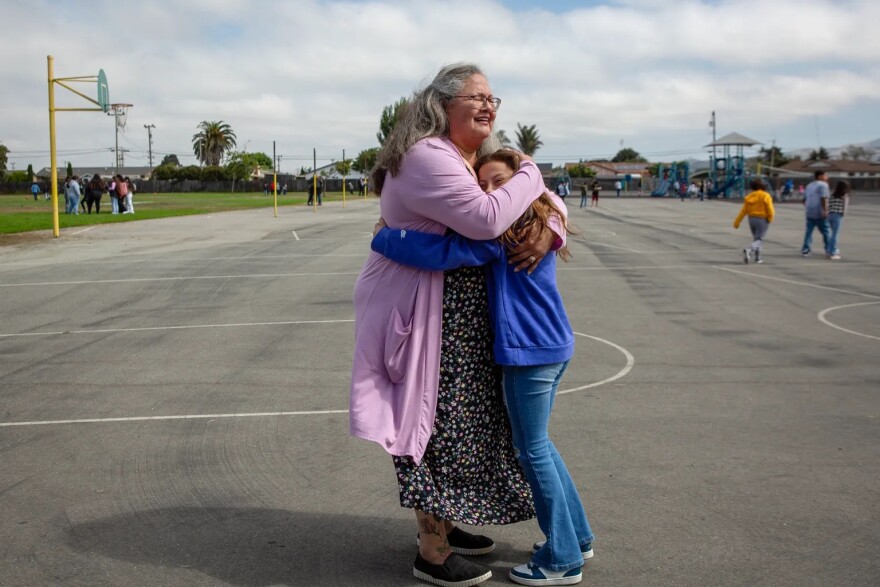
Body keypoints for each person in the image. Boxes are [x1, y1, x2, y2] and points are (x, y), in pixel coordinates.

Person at [350, 63, 561, 587]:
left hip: (456, 313)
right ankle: (432, 552)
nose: (490, 105)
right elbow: (490, 218)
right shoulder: (427, 156)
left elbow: (537, 205)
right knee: (429, 426)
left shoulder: (469, 157)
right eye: (477, 96)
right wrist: (532, 173)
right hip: (419, 311)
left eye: (494, 97)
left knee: (460, 422)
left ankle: (445, 519)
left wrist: (550, 225)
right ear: (443, 104)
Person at [372, 149, 593, 586]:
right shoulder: (534, 220)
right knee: (540, 445)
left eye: (500, 183)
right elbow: (550, 203)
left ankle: (563, 557)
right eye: (483, 185)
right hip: (550, 346)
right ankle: (579, 537)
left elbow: (444, 251)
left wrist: (384, 238)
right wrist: (552, 222)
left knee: (531, 450)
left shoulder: (504, 231)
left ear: (521, 188)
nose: (490, 193)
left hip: (527, 353)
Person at [733, 179, 775, 264]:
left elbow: (743, 211)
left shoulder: (750, 196)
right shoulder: (765, 195)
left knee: (756, 238)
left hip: (751, 218)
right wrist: (770, 218)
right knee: (759, 238)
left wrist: (737, 222)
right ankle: (750, 250)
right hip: (762, 219)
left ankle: (758, 257)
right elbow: (770, 209)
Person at [801, 170, 831, 257]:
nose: (827, 177)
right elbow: (824, 198)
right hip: (819, 212)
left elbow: (804, 200)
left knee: (809, 231)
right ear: (820, 176)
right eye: (825, 175)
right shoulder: (823, 185)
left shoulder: (809, 185)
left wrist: (809, 206)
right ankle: (828, 249)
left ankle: (806, 249)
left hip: (810, 211)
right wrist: (825, 210)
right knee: (825, 231)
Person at [827, 180, 850, 261]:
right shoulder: (844, 196)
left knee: (831, 234)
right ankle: (833, 252)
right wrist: (843, 214)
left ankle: (829, 250)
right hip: (838, 215)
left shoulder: (832, 195)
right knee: (835, 235)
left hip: (830, 215)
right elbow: (845, 207)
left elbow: (828, 205)